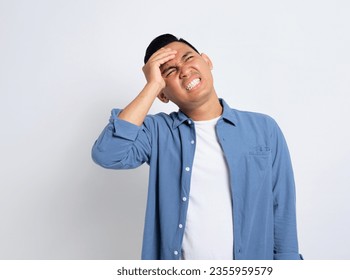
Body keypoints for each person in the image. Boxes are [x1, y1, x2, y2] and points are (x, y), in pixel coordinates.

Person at [91, 34, 303, 260]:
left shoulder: (264, 129)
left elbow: (282, 208)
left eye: (188, 57)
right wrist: (152, 85)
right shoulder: (157, 132)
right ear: (163, 94)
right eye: (169, 71)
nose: (183, 70)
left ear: (207, 62)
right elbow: (108, 153)